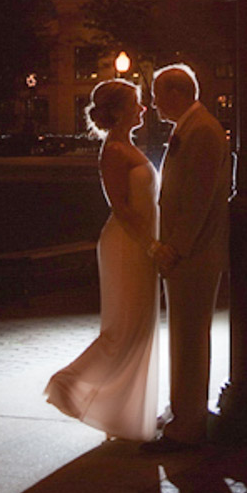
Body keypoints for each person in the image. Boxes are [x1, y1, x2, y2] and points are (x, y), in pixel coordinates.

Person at [45, 79, 160, 441]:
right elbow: (121, 208)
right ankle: (68, 384)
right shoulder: (113, 150)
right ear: (121, 110)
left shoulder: (128, 146)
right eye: (137, 103)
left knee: (140, 328)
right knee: (124, 329)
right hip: (127, 246)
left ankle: (125, 411)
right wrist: (150, 245)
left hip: (142, 244)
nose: (143, 109)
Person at [144, 63, 232, 452]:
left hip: (193, 254)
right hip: (190, 252)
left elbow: (198, 199)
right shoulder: (191, 128)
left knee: (189, 339)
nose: (153, 104)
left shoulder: (203, 131)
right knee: (185, 336)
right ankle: (185, 412)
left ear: (177, 94)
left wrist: (174, 248)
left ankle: (188, 425)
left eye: (158, 96)